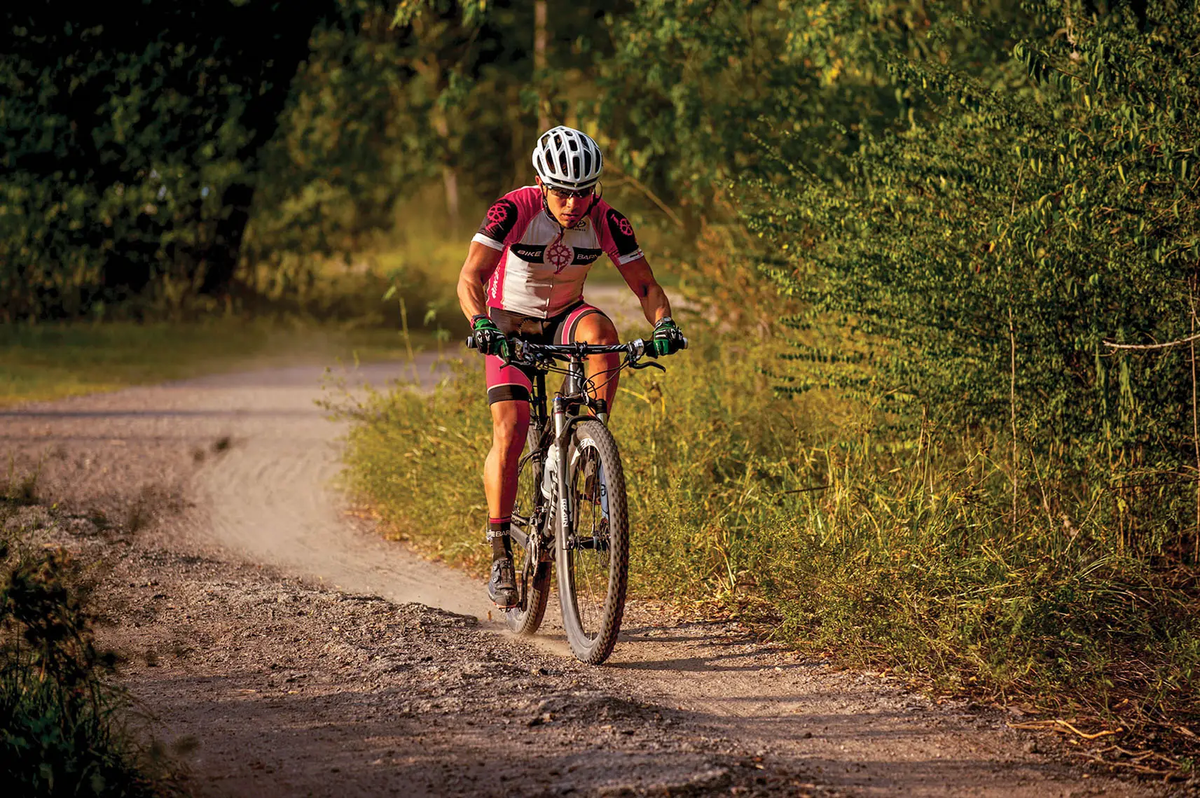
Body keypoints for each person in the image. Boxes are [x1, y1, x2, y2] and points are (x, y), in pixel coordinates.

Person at [456, 125, 685, 608]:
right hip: (508, 321)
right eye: (562, 191)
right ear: (542, 184)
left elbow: (645, 286)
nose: (573, 203)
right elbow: (471, 276)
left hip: (564, 316)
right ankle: (500, 553)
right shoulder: (513, 209)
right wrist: (481, 323)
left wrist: (664, 323)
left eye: (583, 192)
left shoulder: (607, 219)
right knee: (511, 429)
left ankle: (591, 448)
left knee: (603, 334)